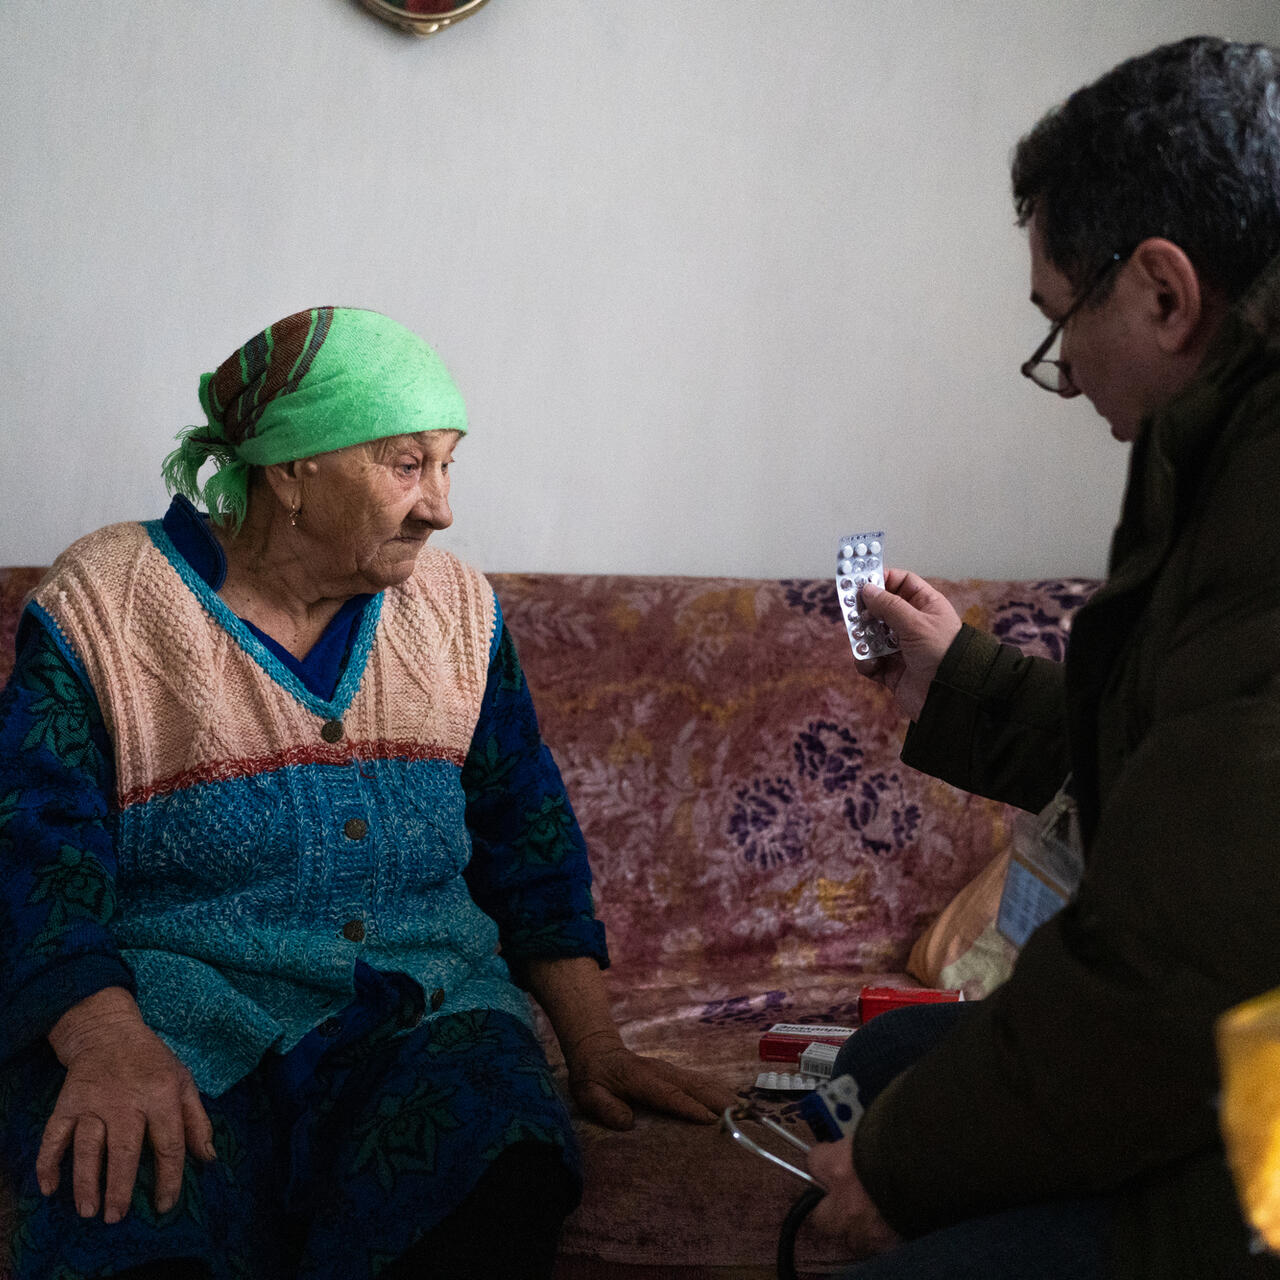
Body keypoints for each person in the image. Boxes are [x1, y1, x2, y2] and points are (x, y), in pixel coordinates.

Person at [0, 306, 734, 1280]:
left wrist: (593, 1044)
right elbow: (35, 846)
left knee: (494, 1177)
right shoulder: (105, 604)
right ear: (290, 470)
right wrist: (104, 1038)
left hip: (424, 1012)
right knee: (120, 1201)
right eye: (406, 465)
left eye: (448, 465)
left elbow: (526, 830)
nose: (440, 507)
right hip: (172, 1014)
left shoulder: (457, 611)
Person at [803, 36, 1280, 1280]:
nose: (1062, 378)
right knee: (877, 1066)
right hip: (1230, 1053)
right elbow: (1186, 754)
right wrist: (954, 677)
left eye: (1059, 324)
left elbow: (1170, 976)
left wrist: (898, 1172)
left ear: (1162, 293)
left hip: (1256, 1127)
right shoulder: (1223, 443)